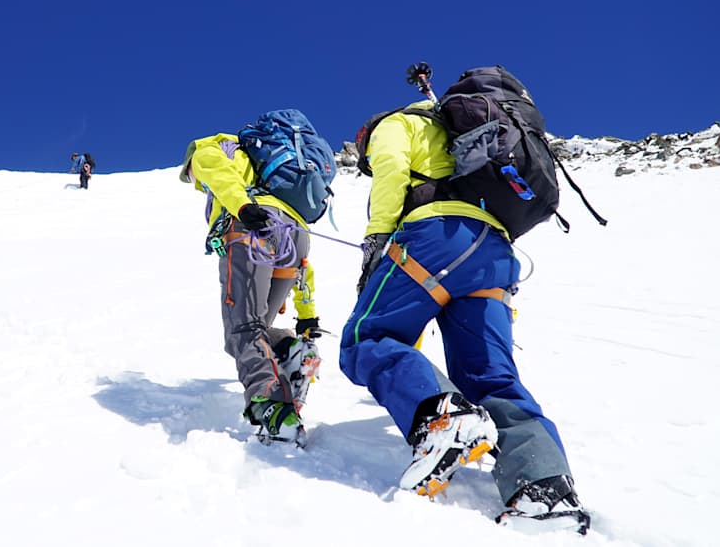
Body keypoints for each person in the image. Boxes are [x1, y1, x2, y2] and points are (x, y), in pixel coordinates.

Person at [341, 97, 590, 531]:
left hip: (434, 238)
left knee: (368, 338)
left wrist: (375, 242)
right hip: (494, 251)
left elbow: (392, 173)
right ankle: (543, 485)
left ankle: (443, 417)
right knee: (489, 374)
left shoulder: (396, 125)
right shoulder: (466, 136)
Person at [179, 134, 322, 448]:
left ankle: (272, 409)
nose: (195, 181)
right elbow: (303, 268)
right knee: (248, 332)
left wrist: (242, 207)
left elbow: (219, 175)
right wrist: (308, 316)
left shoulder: (206, 151)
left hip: (251, 230)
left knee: (244, 328)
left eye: (190, 176)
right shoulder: (256, 163)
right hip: (294, 235)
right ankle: (288, 348)